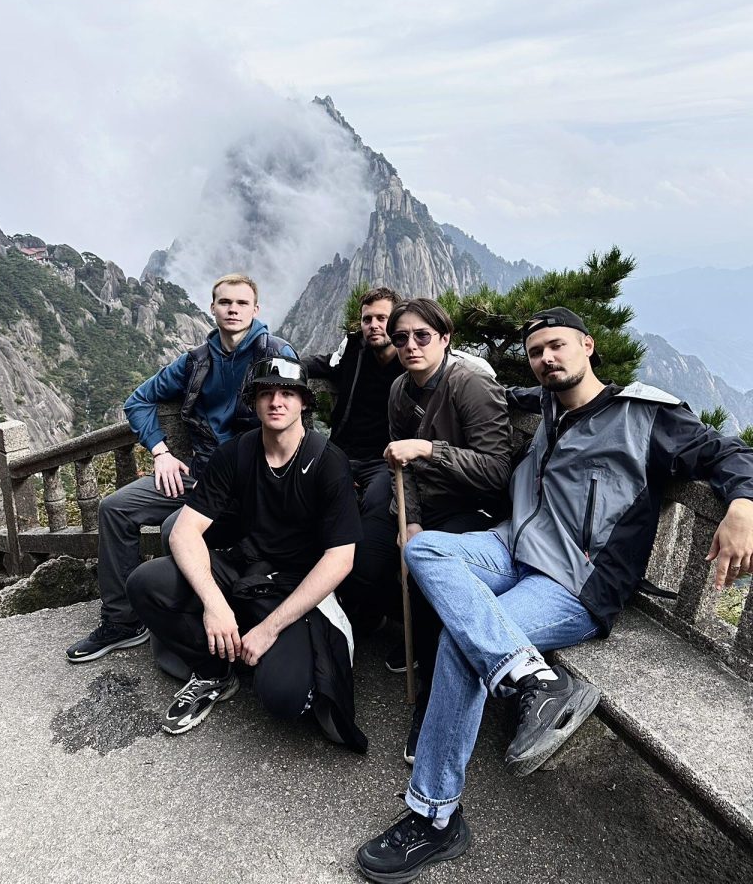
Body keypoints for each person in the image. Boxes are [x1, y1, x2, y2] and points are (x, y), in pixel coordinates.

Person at [356, 306, 753, 883]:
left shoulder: (644, 416)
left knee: (462, 648)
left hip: (573, 582)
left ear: (588, 346)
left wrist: (742, 504)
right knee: (423, 550)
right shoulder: (544, 401)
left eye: (558, 346)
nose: (547, 359)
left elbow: (729, 453)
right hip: (514, 546)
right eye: (537, 351)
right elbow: (491, 393)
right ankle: (530, 677)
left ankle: (435, 818)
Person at [125, 357, 367, 751]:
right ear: (253, 402)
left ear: (304, 402)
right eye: (266, 393)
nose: (276, 402)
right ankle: (213, 670)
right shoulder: (236, 453)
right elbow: (185, 532)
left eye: (287, 393)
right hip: (243, 570)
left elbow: (340, 558)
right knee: (146, 583)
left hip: (296, 588)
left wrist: (270, 628)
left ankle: (257, 645)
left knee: (285, 699)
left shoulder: (327, 462)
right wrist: (214, 605)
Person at [66, 273, 296, 663]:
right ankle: (123, 621)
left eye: (242, 303)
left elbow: (292, 414)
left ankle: (192, 621)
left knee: (177, 530)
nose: (233, 310)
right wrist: (160, 452)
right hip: (201, 473)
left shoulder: (276, 354)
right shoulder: (196, 361)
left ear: (256, 310)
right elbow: (138, 400)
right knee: (115, 508)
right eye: (226, 303)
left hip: (249, 477)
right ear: (213, 308)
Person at [383, 297, 513, 764]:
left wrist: (429, 449)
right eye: (401, 338)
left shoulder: (470, 385)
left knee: (431, 579)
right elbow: (402, 471)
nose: (411, 345)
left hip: (475, 512)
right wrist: (410, 520)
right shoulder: (400, 389)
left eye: (422, 336)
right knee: (374, 553)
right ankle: (417, 651)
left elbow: (498, 470)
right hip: (428, 508)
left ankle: (434, 708)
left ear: (444, 338)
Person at [303, 286, 403, 629]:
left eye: (382, 318)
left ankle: (366, 600)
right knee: (312, 496)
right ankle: (314, 589)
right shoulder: (353, 350)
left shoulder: (412, 355)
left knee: (378, 506)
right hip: (343, 451)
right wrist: (284, 363)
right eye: (367, 319)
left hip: (386, 459)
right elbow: (322, 363)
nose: (374, 325)